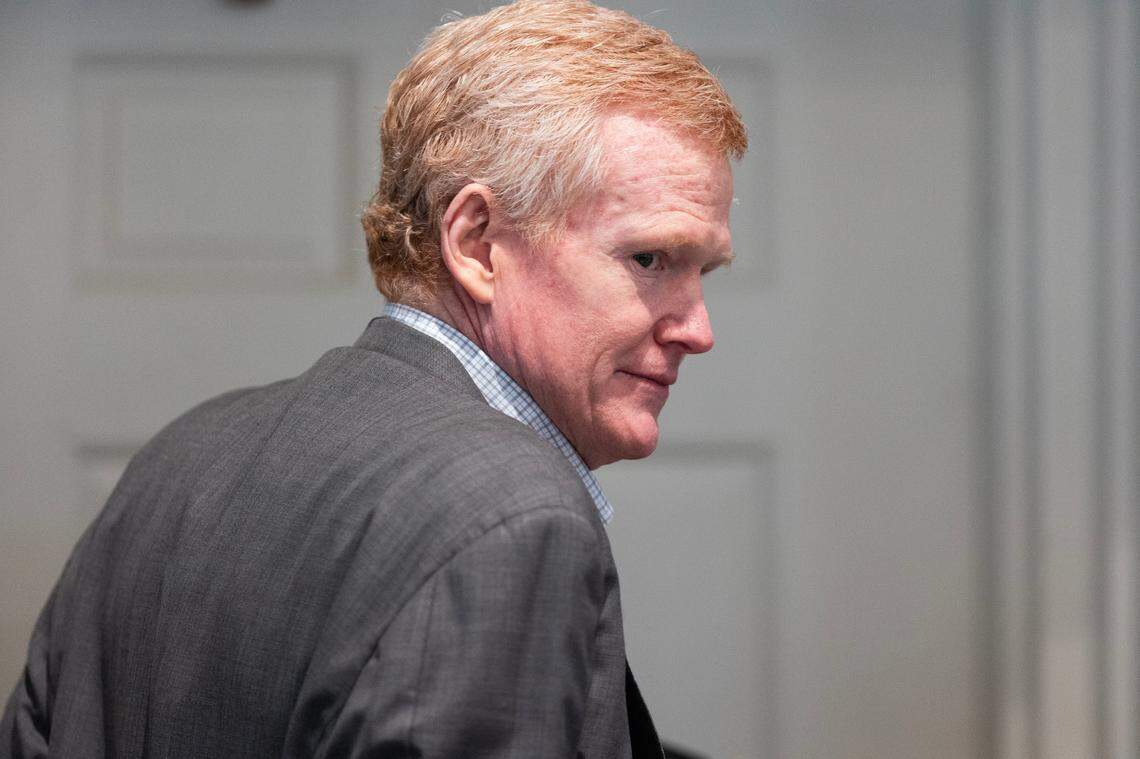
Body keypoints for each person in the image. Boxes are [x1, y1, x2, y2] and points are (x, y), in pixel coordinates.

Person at [1, 1, 746, 756]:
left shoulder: (183, 458)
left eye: (704, 270)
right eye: (651, 260)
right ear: (477, 242)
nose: (699, 328)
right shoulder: (512, 518)